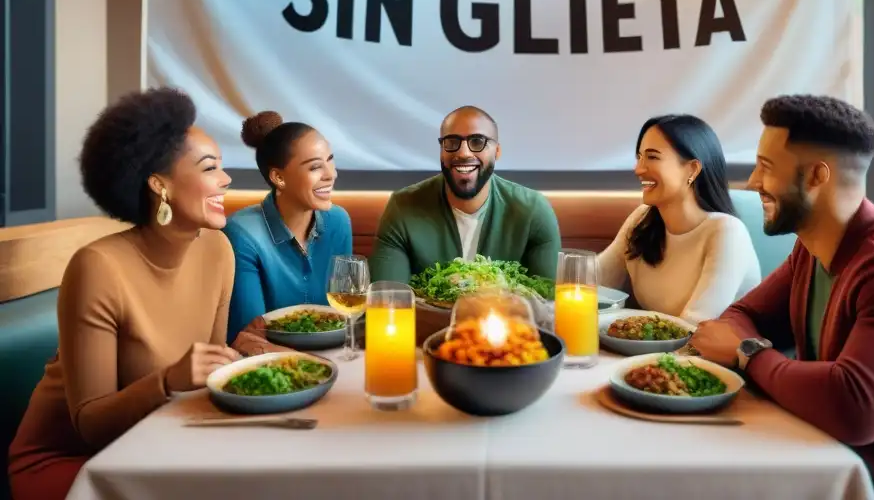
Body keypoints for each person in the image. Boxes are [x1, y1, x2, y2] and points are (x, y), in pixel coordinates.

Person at [689, 95, 874, 500]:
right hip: (828, 465)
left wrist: (748, 353)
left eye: (766, 168)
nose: (753, 184)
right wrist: (749, 345)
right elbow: (741, 315)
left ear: (817, 176)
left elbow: (856, 408)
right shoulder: (811, 250)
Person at [8, 88, 240, 500]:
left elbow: (211, 381)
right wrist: (168, 381)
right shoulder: (98, 266)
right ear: (159, 184)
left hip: (159, 446)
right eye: (210, 168)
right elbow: (90, 424)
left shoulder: (218, 250)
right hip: (77, 465)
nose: (226, 179)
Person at [369, 105, 560, 283]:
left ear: (497, 151)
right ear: (441, 151)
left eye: (477, 141)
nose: (463, 153)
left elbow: (548, 304)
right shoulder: (402, 207)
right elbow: (387, 300)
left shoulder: (532, 210)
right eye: (452, 142)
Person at [598, 115, 760, 323]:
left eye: (652, 157)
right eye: (639, 157)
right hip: (659, 352)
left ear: (692, 169)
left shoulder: (727, 232)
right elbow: (596, 281)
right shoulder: (643, 219)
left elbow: (695, 324)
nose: (638, 169)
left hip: (707, 354)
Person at [224, 112, 352, 356]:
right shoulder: (241, 233)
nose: (331, 174)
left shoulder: (338, 221)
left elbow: (343, 313)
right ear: (278, 177)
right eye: (315, 167)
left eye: (330, 161)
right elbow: (250, 338)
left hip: (333, 354)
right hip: (268, 365)